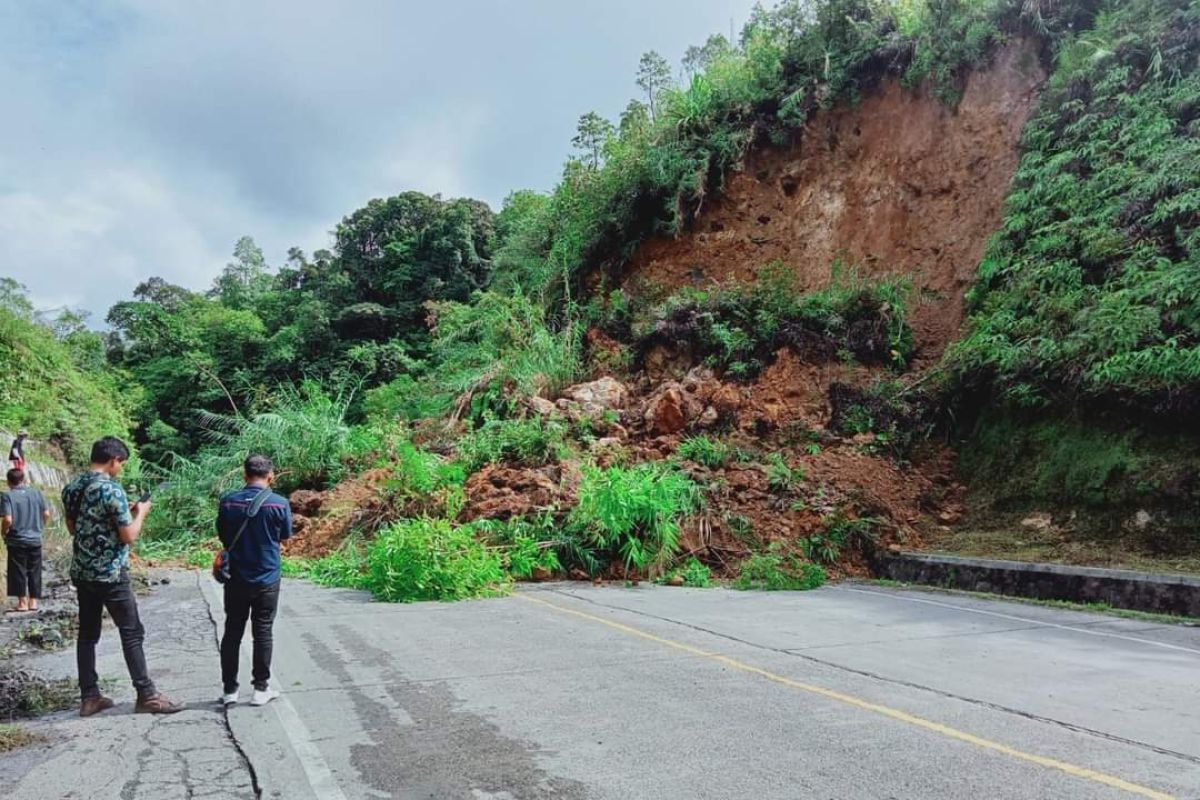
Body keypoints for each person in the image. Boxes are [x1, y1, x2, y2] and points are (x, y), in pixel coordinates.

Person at [62, 436, 184, 717]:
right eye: (122, 464)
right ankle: (147, 694)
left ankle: (89, 697)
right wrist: (140, 513)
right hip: (111, 574)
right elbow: (128, 536)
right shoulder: (111, 490)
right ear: (114, 460)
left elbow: (74, 528)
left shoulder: (72, 488)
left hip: (82, 572)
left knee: (88, 635)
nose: (121, 469)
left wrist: (118, 517)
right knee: (132, 632)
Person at [216, 454, 293, 707]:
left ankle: (230, 691)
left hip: (236, 577)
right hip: (267, 577)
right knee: (262, 631)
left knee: (232, 631)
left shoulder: (228, 502)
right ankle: (261, 689)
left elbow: (224, 536)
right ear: (270, 476)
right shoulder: (279, 503)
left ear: (244, 475)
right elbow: (285, 536)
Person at [2, 468, 50, 612]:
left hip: (17, 540)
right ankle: (33, 602)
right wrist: (40, 527)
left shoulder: (7, 496)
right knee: (34, 570)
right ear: (23, 479)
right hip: (35, 539)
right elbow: (46, 514)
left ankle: (22, 603)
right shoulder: (36, 493)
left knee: (18, 570)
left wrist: (3, 532)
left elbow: (8, 519)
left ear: (9, 481)